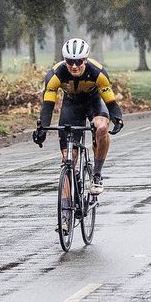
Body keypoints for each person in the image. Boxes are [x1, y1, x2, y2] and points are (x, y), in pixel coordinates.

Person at [34, 38, 124, 211]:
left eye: (78, 61)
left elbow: (110, 101)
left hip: (93, 102)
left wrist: (117, 116)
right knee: (68, 158)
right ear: (64, 60)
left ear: (85, 59)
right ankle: (66, 210)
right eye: (69, 61)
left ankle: (96, 174)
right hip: (71, 105)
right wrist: (42, 128)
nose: (74, 66)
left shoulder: (97, 71)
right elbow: (48, 105)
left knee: (102, 127)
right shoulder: (55, 74)